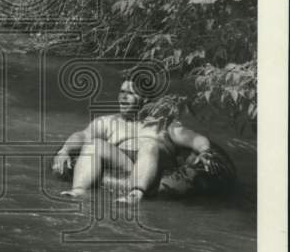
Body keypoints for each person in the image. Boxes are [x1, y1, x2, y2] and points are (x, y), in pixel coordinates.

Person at [52, 74, 218, 203]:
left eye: (130, 93)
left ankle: (135, 194)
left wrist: (205, 151)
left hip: (157, 167)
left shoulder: (164, 124)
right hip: (125, 165)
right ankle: (79, 191)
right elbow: (82, 135)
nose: (123, 97)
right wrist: (64, 150)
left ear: (144, 99)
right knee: (94, 144)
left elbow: (196, 139)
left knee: (149, 144)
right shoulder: (108, 122)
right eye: (122, 92)